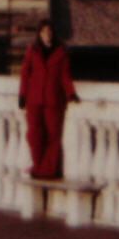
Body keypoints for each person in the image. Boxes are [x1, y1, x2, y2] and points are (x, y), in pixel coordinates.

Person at [18, 21, 78, 180]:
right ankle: (38, 167)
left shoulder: (61, 52)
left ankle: (49, 171)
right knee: (34, 135)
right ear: (39, 34)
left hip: (54, 100)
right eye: (44, 31)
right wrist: (22, 96)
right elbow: (25, 74)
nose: (47, 34)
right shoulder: (32, 51)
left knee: (53, 136)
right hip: (34, 99)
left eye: (50, 31)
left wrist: (71, 93)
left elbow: (65, 76)